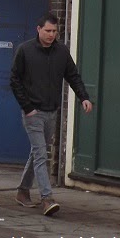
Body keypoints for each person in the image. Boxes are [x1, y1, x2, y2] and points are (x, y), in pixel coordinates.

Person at [10, 13, 92, 217]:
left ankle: (22, 191)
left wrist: (84, 97)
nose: (51, 35)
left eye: (54, 31)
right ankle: (47, 198)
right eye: (48, 31)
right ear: (38, 30)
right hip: (32, 112)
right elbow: (15, 80)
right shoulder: (25, 50)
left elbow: (73, 76)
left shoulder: (62, 52)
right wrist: (27, 106)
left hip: (51, 111)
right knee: (41, 154)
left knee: (37, 152)